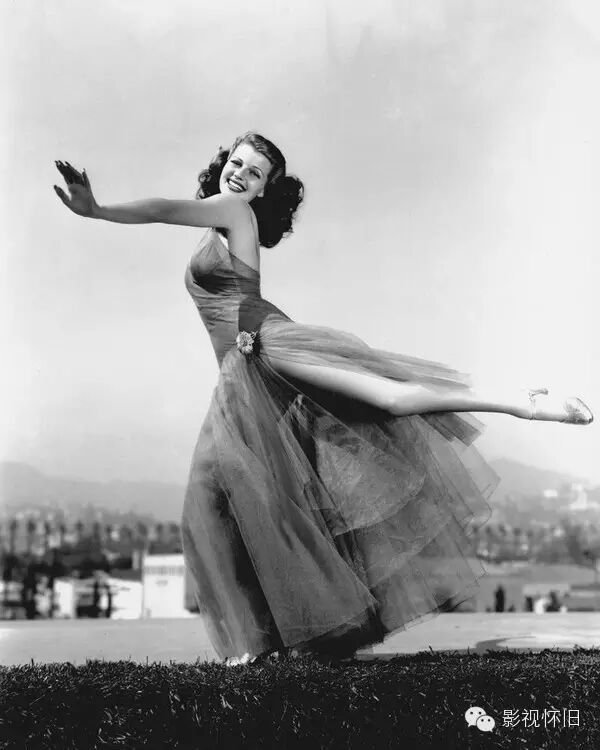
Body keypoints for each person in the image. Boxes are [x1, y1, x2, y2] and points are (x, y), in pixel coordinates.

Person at [54, 132, 593, 666]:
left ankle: (520, 401)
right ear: (223, 162)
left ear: (262, 190)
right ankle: (265, 642)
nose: (240, 175)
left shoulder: (232, 211)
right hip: (243, 368)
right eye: (237, 163)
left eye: (254, 173)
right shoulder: (222, 224)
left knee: (380, 404)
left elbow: (162, 209)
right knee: (245, 493)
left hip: (264, 348)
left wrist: (97, 210)